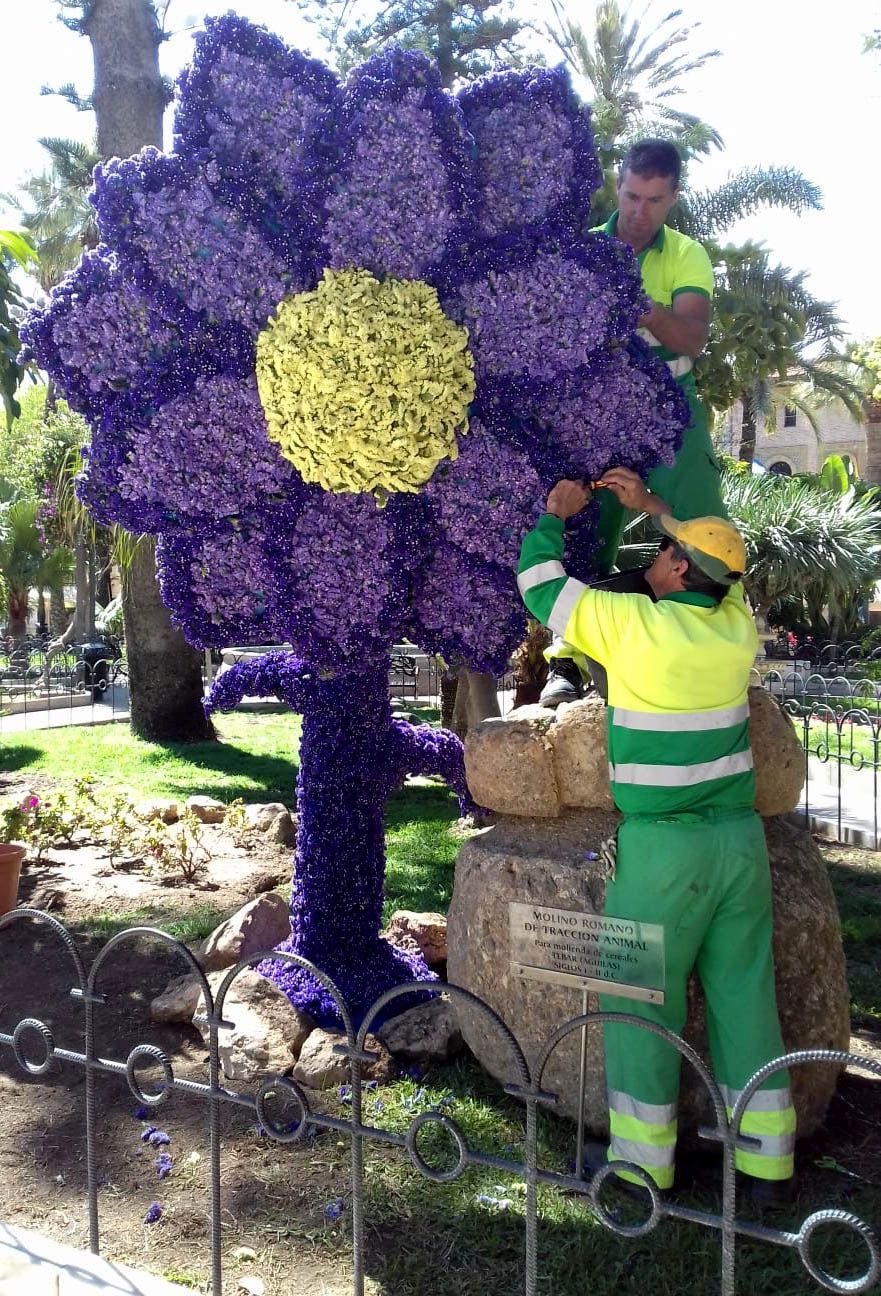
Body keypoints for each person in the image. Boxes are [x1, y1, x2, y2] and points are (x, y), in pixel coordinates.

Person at [518, 469, 795, 1200]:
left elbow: (542, 587)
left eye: (662, 546)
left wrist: (556, 513)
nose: (653, 550)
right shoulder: (732, 627)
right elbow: (720, 568)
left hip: (662, 850)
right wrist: (655, 507)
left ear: (676, 568)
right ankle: (764, 1166)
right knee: (744, 997)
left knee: (640, 1005)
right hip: (738, 845)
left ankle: (641, 1168)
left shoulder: (631, 624)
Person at [541, 138, 724, 707]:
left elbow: (692, 337)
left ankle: (707, 639)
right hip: (594, 416)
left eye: (654, 200)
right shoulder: (582, 250)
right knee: (582, 523)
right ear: (616, 188)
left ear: (673, 199)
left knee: (703, 523)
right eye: (631, 195)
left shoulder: (687, 255)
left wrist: (633, 300)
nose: (639, 212)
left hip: (674, 415)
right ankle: (566, 662)